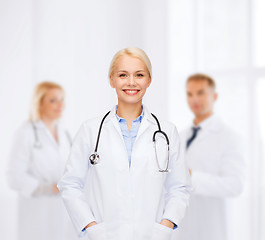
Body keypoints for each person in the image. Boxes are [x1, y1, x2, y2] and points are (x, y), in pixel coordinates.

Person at [58, 47, 191, 240]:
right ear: (111, 80)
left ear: (149, 80)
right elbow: (70, 184)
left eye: (139, 75)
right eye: (122, 75)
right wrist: (91, 227)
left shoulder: (167, 132)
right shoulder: (90, 130)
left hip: (152, 236)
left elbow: (180, 187)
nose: (131, 82)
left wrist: (165, 227)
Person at [175, 73, 246, 240]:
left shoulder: (229, 137)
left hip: (212, 230)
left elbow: (235, 185)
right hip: (181, 229)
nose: (194, 100)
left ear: (214, 96)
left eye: (200, 93)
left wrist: (191, 177)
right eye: (190, 94)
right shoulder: (179, 136)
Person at [7, 81, 77, 240]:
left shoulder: (64, 132)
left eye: (62, 99)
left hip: (62, 210)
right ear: (39, 103)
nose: (60, 105)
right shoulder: (25, 132)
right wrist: (47, 188)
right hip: (36, 211)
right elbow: (13, 177)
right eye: (53, 100)